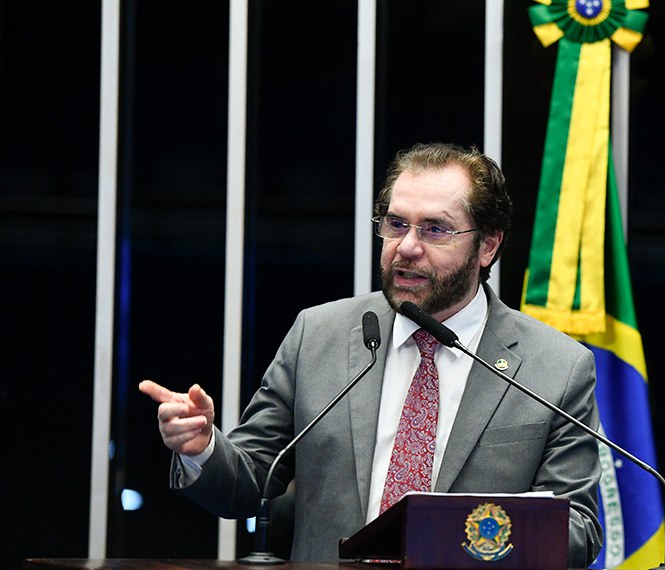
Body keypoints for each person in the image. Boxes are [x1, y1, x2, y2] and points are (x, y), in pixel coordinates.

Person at [139, 142, 603, 566]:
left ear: (488, 245)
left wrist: (470, 532)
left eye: (435, 229)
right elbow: (251, 481)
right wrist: (203, 448)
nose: (407, 247)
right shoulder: (319, 336)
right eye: (396, 224)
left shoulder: (555, 367)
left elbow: (580, 531)